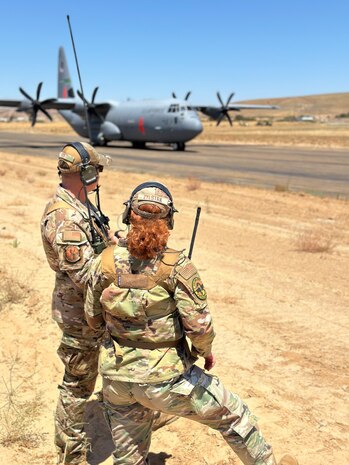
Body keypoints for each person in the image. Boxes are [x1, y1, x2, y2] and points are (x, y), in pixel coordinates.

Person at [84, 181, 299, 465]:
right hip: (166, 381)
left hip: (116, 381)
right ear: (168, 220)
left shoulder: (106, 260)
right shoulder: (177, 266)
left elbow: (91, 315)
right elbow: (199, 328)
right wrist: (202, 352)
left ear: (128, 216)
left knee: (129, 455)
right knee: (233, 416)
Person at [41, 141, 112, 465]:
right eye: (96, 169)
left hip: (93, 311)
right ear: (83, 172)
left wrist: (117, 245)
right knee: (79, 384)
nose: (99, 175)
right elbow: (85, 273)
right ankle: (71, 457)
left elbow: (100, 245)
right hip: (79, 315)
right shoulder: (65, 217)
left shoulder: (83, 207)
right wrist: (122, 268)